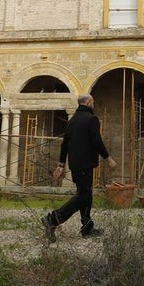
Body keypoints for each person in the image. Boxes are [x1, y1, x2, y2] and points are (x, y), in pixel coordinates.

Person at [43, 93, 117, 242]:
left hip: (75, 164)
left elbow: (65, 144)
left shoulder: (72, 121)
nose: (93, 104)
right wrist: (108, 158)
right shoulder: (91, 119)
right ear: (89, 102)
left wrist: (61, 164)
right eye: (93, 102)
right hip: (86, 163)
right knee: (83, 196)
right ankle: (53, 219)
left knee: (86, 194)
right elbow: (97, 141)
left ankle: (87, 227)